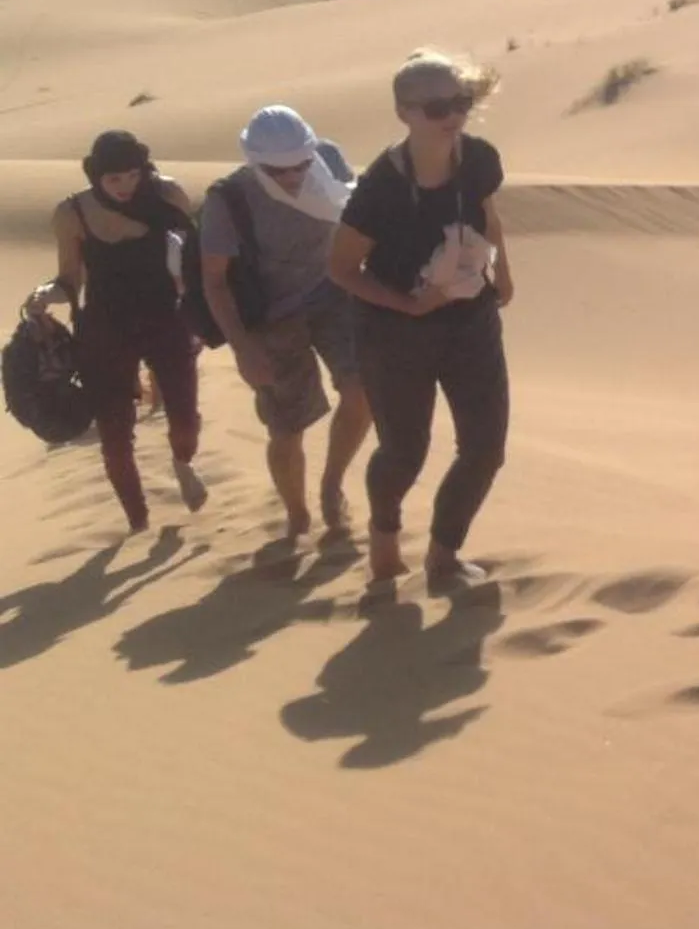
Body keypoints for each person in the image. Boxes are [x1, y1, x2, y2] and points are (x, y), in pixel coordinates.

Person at [327, 51, 513, 591]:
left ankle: (443, 556)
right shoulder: (380, 188)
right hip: (394, 331)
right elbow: (341, 269)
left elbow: (487, 213)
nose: (451, 115)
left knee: (485, 446)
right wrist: (405, 305)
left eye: (460, 102)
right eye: (435, 107)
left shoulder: (479, 158)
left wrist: (503, 270)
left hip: (471, 318)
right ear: (403, 112)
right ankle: (384, 536)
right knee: (405, 450)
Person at [200, 106, 372, 544]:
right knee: (287, 425)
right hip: (273, 315)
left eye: (300, 164)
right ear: (256, 162)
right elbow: (215, 281)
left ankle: (332, 483)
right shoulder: (229, 198)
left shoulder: (328, 162)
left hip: (333, 294)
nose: (294, 176)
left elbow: (359, 223)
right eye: (279, 170)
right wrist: (243, 348)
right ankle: (297, 514)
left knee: (363, 391)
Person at [38, 131, 206, 532]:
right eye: (115, 179)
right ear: (97, 177)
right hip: (105, 327)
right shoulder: (72, 213)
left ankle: (182, 463)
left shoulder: (167, 195)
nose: (126, 186)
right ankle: (138, 522)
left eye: (133, 175)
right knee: (114, 435)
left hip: (166, 319)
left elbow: (193, 258)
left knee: (184, 418)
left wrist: (202, 315)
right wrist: (45, 295)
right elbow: (68, 278)